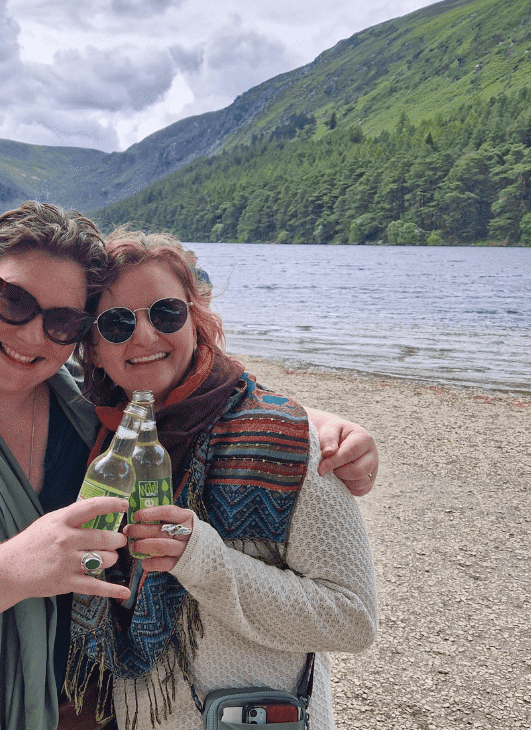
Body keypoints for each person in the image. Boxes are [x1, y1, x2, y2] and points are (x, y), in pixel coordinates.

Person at [0, 202, 379, 729]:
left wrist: (313, 425)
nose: (34, 335)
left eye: (62, 322)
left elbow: (194, 402)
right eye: (15, 301)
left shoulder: (84, 410)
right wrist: (12, 568)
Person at [66, 228, 378, 730]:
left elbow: (352, 618)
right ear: (94, 348)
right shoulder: (99, 434)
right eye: (117, 323)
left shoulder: (283, 437)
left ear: (196, 318)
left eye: (166, 313)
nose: (145, 336)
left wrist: (202, 561)